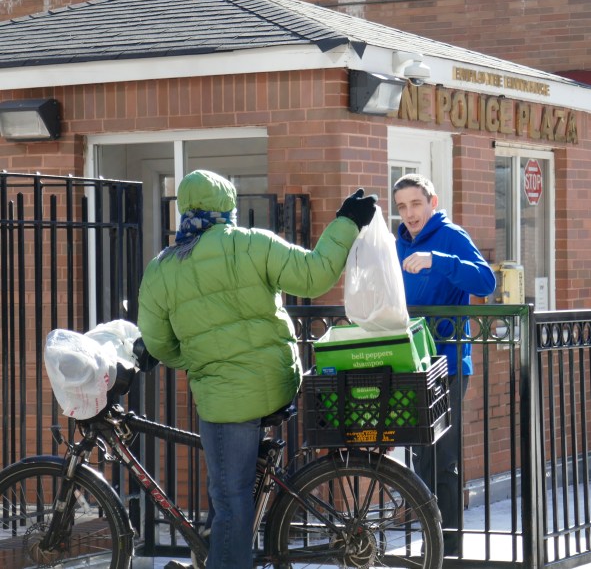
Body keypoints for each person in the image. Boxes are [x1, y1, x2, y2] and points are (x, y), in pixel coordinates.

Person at [137, 170, 377, 569]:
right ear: (227, 206)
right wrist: (346, 221)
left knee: (229, 501)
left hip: (226, 400)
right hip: (280, 383)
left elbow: (159, 343)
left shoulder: (163, 268)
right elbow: (316, 274)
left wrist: (197, 360)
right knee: (237, 493)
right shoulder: (252, 243)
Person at [392, 173, 496, 557]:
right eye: (402, 207)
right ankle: (431, 542)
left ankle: (449, 549)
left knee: (443, 456)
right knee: (421, 456)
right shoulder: (398, 243)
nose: (409, 213)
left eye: (416, 204)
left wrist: (439, 260)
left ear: (432, 203)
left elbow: (486, 283)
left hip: (448, 363)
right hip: (409, 360)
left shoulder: (451, 235)